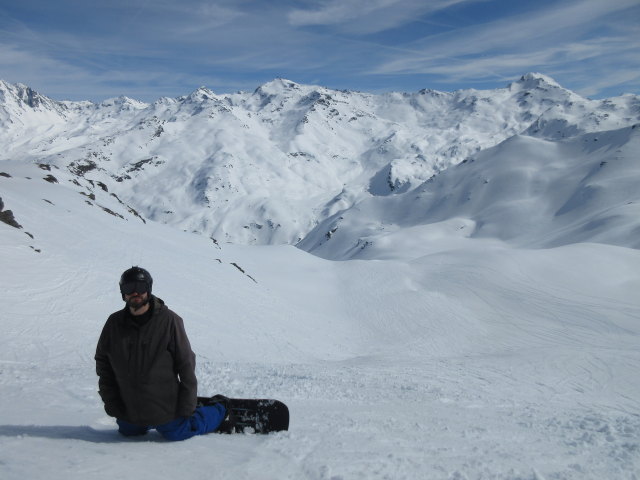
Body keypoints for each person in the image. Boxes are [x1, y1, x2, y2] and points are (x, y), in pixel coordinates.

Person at [95, 266, 230, 441]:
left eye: (141, 287)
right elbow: (103, 363)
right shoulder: (114, 323)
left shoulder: (169, 321)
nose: (135, 292)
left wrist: (187, 407)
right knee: (129, 432)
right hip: (130, 407)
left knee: (179, 432)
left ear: (149, 289)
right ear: (123, 293)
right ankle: (143, 422)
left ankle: (219, 408)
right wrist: (112, 403)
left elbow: (186, 364)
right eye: (129, 288)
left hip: (164, 407)